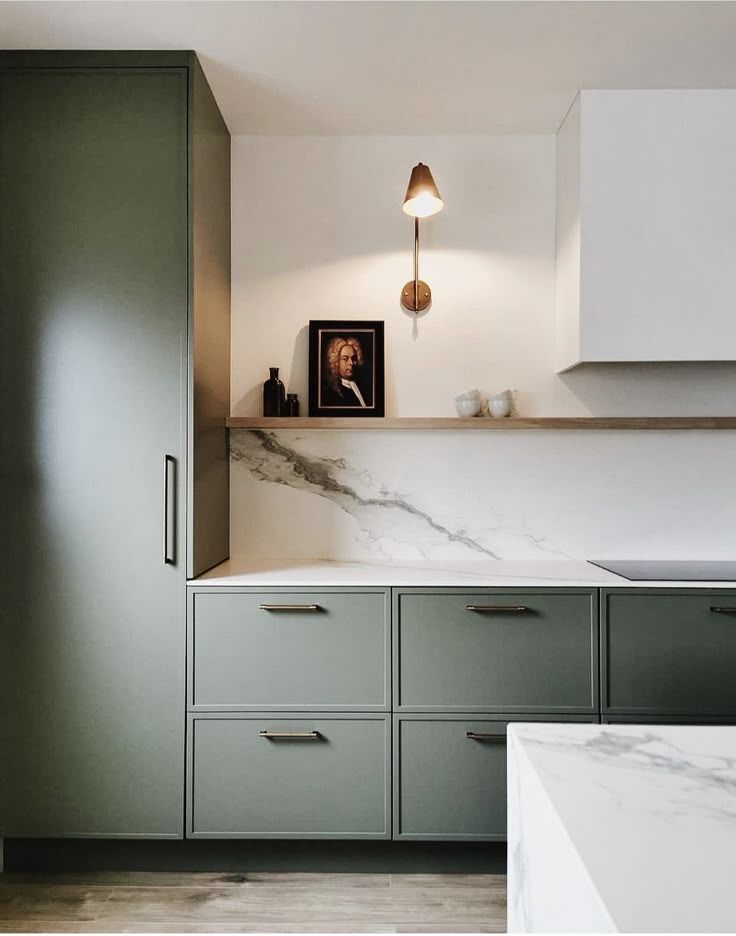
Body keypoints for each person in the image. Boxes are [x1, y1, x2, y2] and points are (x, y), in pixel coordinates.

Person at [321, 335, 372, 407]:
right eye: (345, 359)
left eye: (353, 358)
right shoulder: (331, 392)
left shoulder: (362, 385)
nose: (351, 363)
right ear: (336, 362)